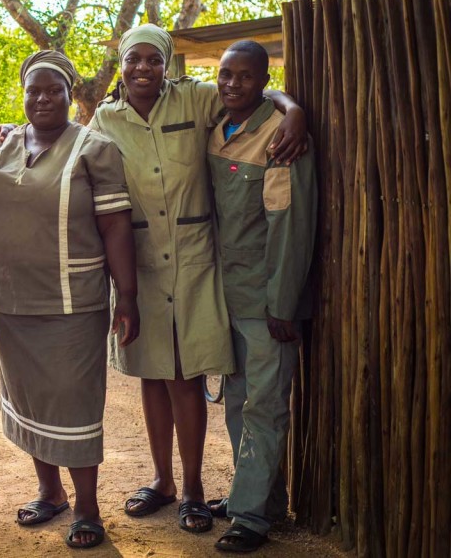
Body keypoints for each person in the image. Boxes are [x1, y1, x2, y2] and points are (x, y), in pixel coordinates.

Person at [87, 24, 307, 533]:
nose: (143, 68)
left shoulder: (196, 99)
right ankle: (162, 481)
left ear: (167, 64)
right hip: (138, 262)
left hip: (195, 258)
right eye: (133, 59)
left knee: (186, 374)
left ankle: (192, 490)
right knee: (150, 372)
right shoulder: (104, 118)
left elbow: (252, 92)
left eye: (153, 60)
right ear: (121, 63)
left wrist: (293, 110)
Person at [0, 50, 140, 550]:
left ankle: (88, 507)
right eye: (34, 90)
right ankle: (49, 492)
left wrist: (127, 297)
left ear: (71, 96)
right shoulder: (2, 145)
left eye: (54, 90)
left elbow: (115, 227)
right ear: (23, 95)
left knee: (74, 400)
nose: (44, 98)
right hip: (10, 300)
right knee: (27, 397)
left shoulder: (94, 148)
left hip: (72, 301)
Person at [206, 41, 316, 553]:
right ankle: (258, 500)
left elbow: (289, 225)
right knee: (235, 402)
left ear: (262, 80)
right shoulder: (218, 127)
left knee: (264, 409)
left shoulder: (279, 139)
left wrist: (282, 303)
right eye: (226, 75)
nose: (232, 85)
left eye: (245, 77)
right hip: (227, 297)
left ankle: (249, 517)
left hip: (267, 303)